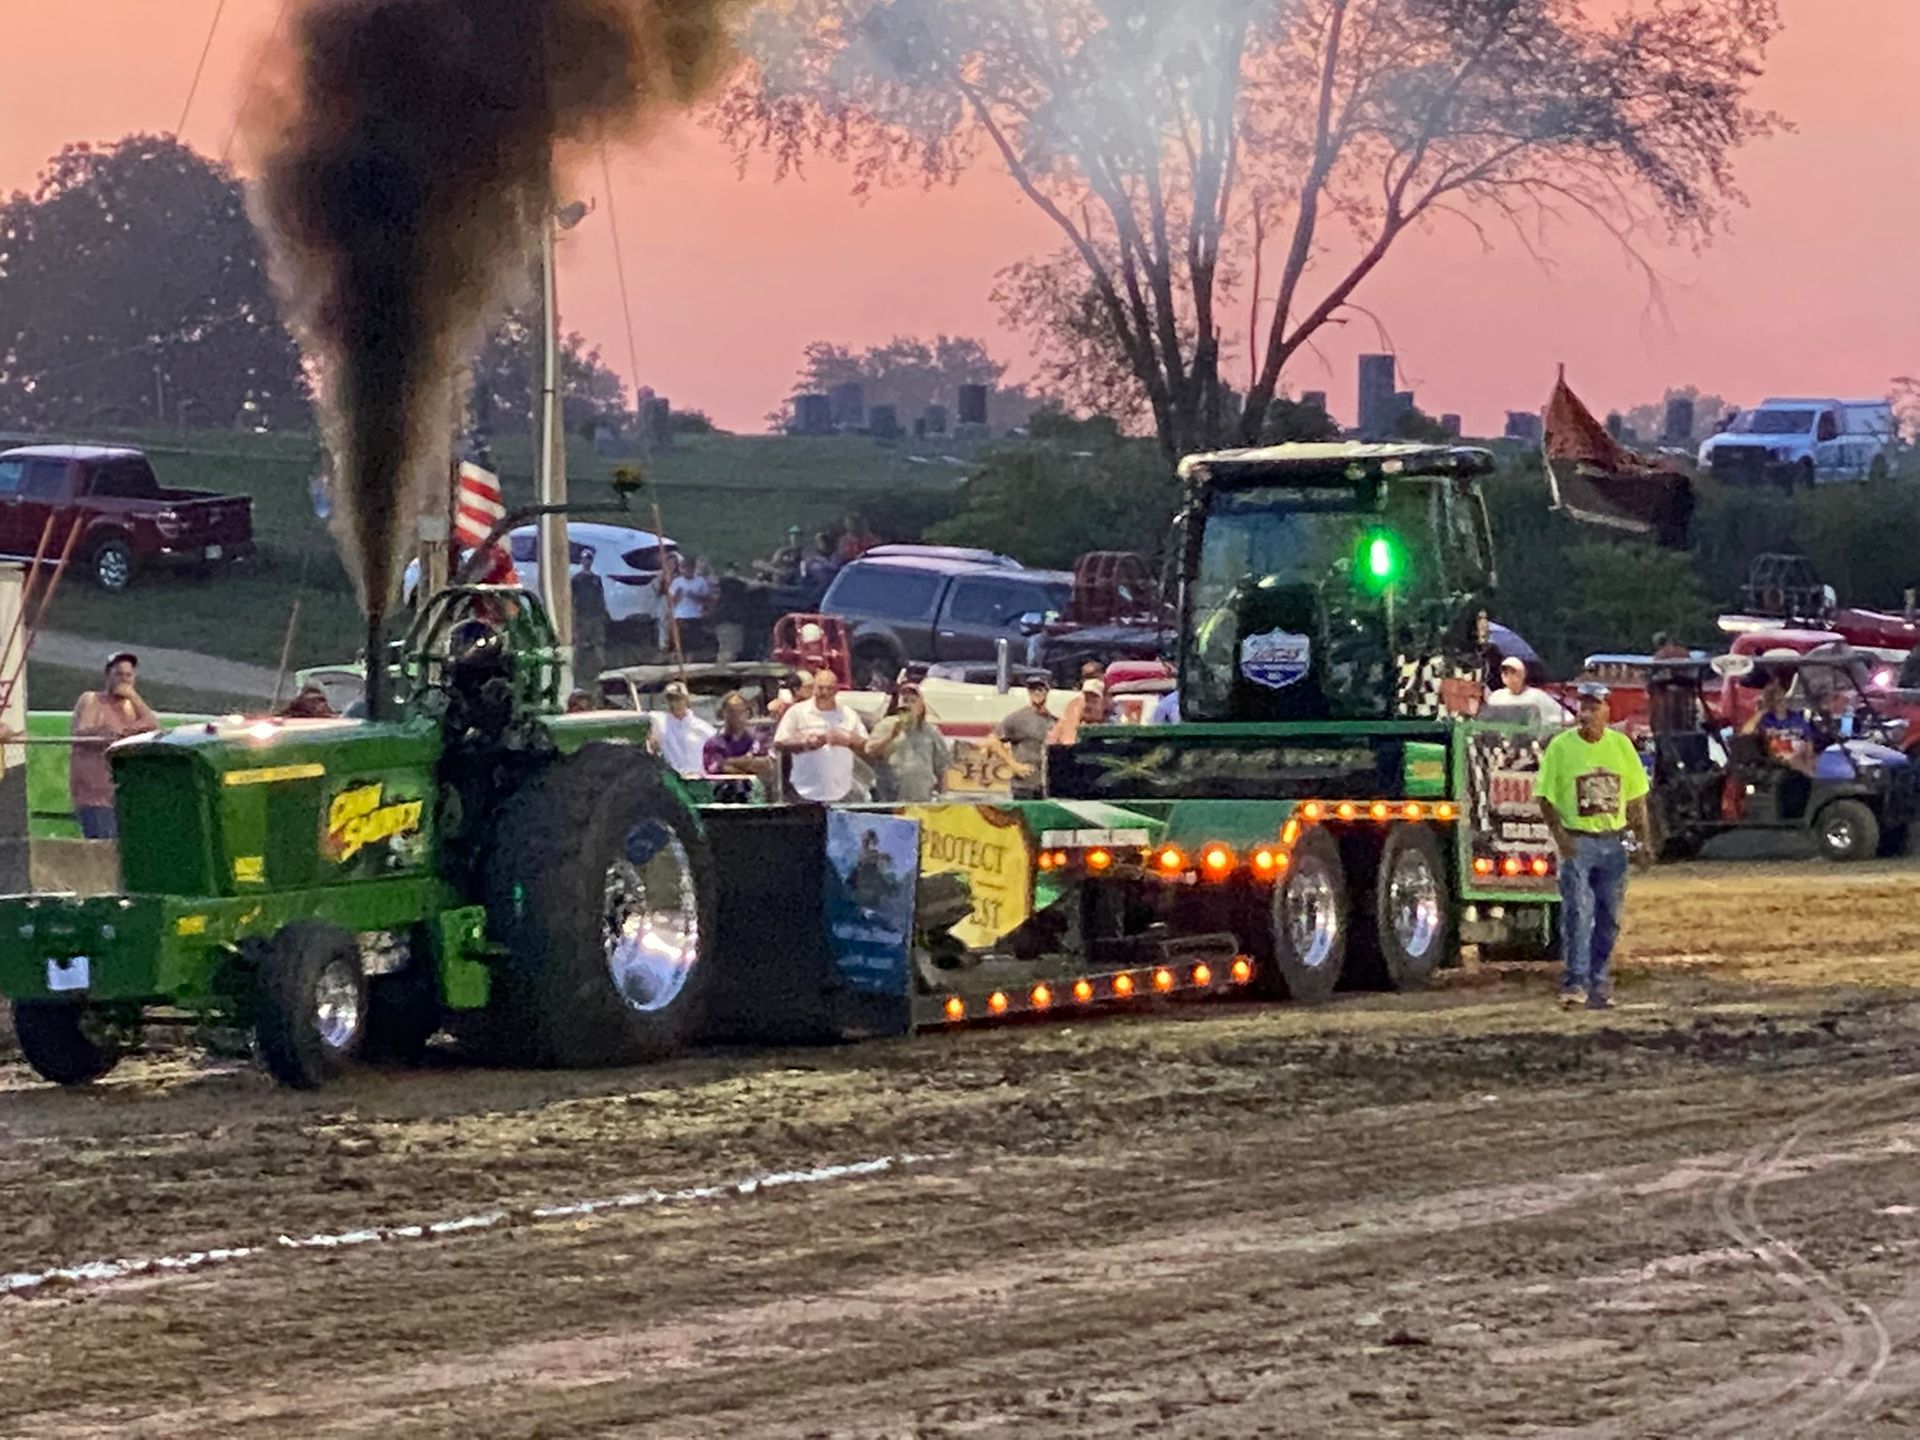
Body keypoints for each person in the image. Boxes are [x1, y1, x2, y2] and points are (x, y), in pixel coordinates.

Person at [1534, 682, 1654, 1011]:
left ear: (1606, 711)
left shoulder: (1621, 746)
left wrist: (1642, 841)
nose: (1587, 714)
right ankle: (1576, 982)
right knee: (1577, 912)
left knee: (1609, 916)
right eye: (1583, 707)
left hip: (1612, 841)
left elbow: (1636, 798)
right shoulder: (1561, 747)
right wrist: (1561, 838)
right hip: (1579, 840)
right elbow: (1544, 797)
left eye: (1594, 707)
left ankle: (1598, 981)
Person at [69, 651, 159, 840]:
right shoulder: (91, 700)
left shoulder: (130, 707)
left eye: (128, 675)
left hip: (123, 792)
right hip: (94, 793)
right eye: (119, 674)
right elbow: (83, 732)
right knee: (104, 844)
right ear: (108, 675)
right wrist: (117, 734)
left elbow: (153, 726)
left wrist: (134, 698)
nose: (123, 680)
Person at [773, 667, 868, 802]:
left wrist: (847, 739)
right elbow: (779, 743)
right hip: (804, 791)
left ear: (836, 690)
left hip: (842, 791)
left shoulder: (849, 714)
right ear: (813, 688)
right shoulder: (797, 712)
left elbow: (865, 746)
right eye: (821, 688)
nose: (825, 692)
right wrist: (804, 743)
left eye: (829, 688)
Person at [865, 681, 952, 803]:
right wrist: (891, 736)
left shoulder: (931, 731)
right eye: (905, 700)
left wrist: (943, 797)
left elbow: (942, 769)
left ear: (921, 706)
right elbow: (869, 751)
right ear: (898, 704)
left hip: (921, 800)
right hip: (890, 800)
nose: (909, 705)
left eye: (913, 701)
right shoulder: (885, 725)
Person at [986, 677, 1055, 799]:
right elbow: (993, 740)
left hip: (1048, 786)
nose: (1037, 693)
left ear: (1047, 691)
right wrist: (1014, 765)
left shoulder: (1053, 721)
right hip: (1024, 786)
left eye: (1040, 689)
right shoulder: (1018, 718)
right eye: (1033, 690)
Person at [1742, 677, 1817, 774]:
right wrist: (1763, 711)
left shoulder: (1797, 718)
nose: (1783, 703)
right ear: (1771, 703)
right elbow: (1745, 733)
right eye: (1778, 701)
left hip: (1799, 757)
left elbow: (1808, 740)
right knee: (1792, 759)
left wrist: (1809, 757)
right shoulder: (1765, 721)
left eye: (1783, 699)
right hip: (1776, 761)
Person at [651, 680, 716, 778]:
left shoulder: (704, 729)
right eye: (670, 699)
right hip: (671, 781)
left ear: (686, 700)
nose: (674, 703)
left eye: (678, 699)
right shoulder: (658, 721)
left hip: (697, 780)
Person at [1483, 656, 1568, 729]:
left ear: (1522, 674)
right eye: (1504, 672)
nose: (1507, 675)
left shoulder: (1537, 696)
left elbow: (1563, 717)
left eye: (1512, 672)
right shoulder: (1496, 697)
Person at [702, 691, 771, 777]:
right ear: (724, 713)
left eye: (741, 712)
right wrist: (746, 765)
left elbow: (765, 765)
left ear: (747, 713)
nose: (737, 716)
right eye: (732, 711)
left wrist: (728, 761)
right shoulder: (713, 743)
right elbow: (714, 768)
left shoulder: (757, 740)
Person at [571, 549, 610, 686]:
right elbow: (571, 598)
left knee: (598, 643)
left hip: (595, 616)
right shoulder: (576, 579)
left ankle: (601, 671)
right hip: (582, 616)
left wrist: (604, 612)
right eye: (584, 559)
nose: (586, 562)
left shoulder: (596, 579)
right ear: (581, 561)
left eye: (589, 559)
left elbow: (601, 597)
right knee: (579, 644)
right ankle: (576, 672)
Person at [1049, 677, 1111, 746]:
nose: (1088, 705)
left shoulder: (1113, 722)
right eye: (1086, 699)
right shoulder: (1070, 717)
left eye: (1094, 700)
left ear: (1104, 702)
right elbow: (1052, 742)